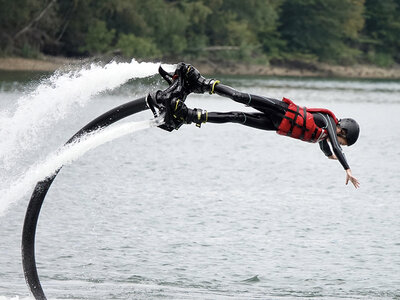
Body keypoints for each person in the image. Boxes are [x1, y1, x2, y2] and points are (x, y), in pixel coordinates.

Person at [156, 63, 361, 189]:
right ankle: (202, 82)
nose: (341, 144)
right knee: (239, 97)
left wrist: (328, 157)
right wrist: (347, 168)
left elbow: (327, 146)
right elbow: (334, 144)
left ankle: (190, 115)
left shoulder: (324, 136)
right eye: (344, 141)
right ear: (343, 131)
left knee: (236, 117)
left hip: (275, 124)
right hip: (280, 110)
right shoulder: (327, 122)